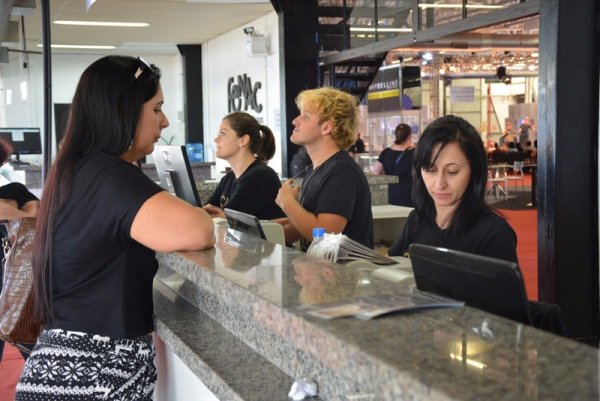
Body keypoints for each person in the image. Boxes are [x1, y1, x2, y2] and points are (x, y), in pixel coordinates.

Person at [16, 55, 215, 400]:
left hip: (63, 369)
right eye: (156, 109)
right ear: (123, 111)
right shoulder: (109, 174)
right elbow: (198, 231)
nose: (165, 121)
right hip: (93, 378)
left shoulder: (78, 168)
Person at [388, 114, 566, 335]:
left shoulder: (493, 234)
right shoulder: (418, 220)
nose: (439, 184)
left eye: (452, 172)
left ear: (474, 171)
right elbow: (391, 269)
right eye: (430, 170)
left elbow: (504, 324)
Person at [275, 87, 373, 251]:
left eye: (305, 116)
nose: (295, 121)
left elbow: (326, 235)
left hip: (342, 267)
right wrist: (256, 228)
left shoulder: (342, 172)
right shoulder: (317, 170)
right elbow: (302, 226)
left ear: (327, 127)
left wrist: (287, 203)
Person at [203, 112, 284, 220]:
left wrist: (214, 215)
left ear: (243, 140)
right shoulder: (228, 179)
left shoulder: (260, 176)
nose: (216, 139)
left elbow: (229, 218)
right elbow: (207, 211)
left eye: (223, 133)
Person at [370, 123, 415, 207]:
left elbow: (375, 172)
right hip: (409, 194)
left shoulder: (386, 152)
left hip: (390, 194)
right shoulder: (415, 153)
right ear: (409, 136)